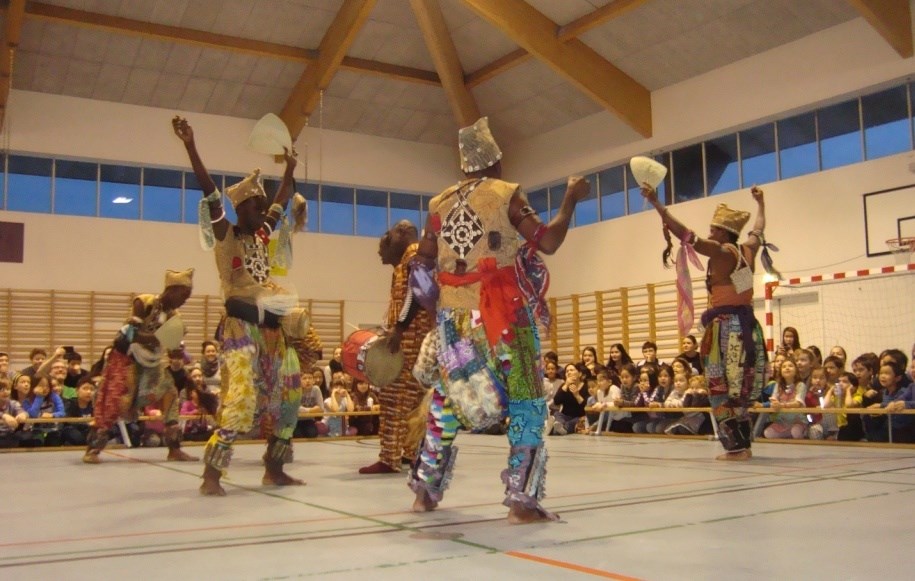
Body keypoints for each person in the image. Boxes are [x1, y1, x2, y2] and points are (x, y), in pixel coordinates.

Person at [408, 117, 589, 524]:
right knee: (527, 401)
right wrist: (571, 199)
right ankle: (521, 502)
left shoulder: (438, 205)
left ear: (463, 165)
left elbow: (420, 266)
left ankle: (424, 492)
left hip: (453, 322)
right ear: (496, 160)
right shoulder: (505, 194)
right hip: (504, 317)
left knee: (447, 400)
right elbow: (548, 241)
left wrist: (441, 312)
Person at [173, 115, 313, 495]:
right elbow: (209, 193)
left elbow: (282, 198)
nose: (265, 211)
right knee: (241, 400)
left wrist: (291, 167)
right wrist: (190, 145)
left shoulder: (261, 235)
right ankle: (212, 475)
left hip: (273, 332)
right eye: (258, 206)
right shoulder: (228, 235)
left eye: (264, 207)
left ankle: (274, 468)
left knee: (289, 398)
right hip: (240, 333)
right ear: (241, 209)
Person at [643, 185, 768, 460]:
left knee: (719, 390)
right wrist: (761, 204)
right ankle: (743, 445)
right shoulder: (748, 249)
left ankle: (735, 448)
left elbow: (688, 236)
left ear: (723, 232)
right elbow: (758, 228)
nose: (710, 233)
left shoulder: (722, 252)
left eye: (713, 229)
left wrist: (656, 204)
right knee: (739, 390)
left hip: (726, 331)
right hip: (748, 328)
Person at [82, 269, 196, 463]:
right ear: (172, 290)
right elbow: (130, 334)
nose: (184, 300)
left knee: (169, 390)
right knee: (115, 400)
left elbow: (170, 346)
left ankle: (174, 448)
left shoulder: (173, 315)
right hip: (125, 358)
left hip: (151, 361)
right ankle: (92, 449)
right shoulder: (143, 302)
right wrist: (159, 338)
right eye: (183, 295)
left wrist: (176, 345)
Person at [359, 221, 434, 474]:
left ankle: (389, 458)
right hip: (416, 339)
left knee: (394, 399)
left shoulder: (413, 255)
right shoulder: (411, 258)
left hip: (408, 340)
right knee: (413, 401)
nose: (385, 238)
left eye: (389, 233)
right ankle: (412, 453)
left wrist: (399, 329)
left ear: (403, 233)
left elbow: (416, 292)